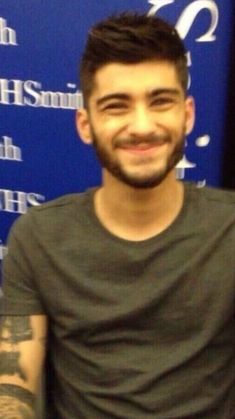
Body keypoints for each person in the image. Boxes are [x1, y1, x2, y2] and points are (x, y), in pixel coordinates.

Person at [0, 11, 234, 419]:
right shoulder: (37, 239)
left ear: (188, 114)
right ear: (85, 125)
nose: (141, 126)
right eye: (116, 106)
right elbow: (12, 391)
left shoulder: (228, 231)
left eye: (160, 101)